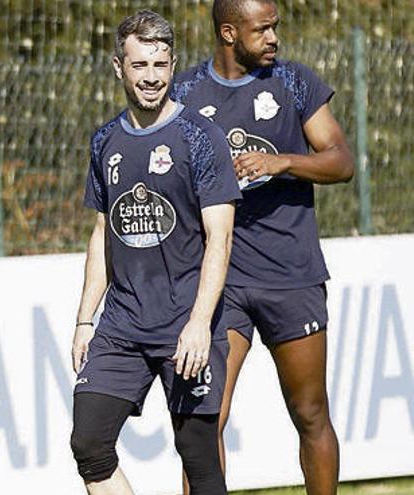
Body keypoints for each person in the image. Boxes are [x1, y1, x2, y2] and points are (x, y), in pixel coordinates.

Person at [172, 1, 354, 493]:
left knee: (311, 413)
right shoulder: (186, 93)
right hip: (221, 281)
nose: (273, 37)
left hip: (291, 275)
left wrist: (282, 163)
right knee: (203, 419)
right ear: (229, 33)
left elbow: (340, 161)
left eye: (275, 27)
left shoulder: (295, 83)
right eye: (262, 29)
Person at [69, 10, 241, 495]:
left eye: (160, 65)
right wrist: (85, 318)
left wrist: (199, 325)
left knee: (199, 461)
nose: (151, 77)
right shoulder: (105, 140)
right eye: (140, 65)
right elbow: (105, 231)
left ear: (172, 65)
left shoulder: (200, 137)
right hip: (121, 327)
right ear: (118, 67)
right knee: (89, 444)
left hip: (185, 325)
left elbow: (220, 240)